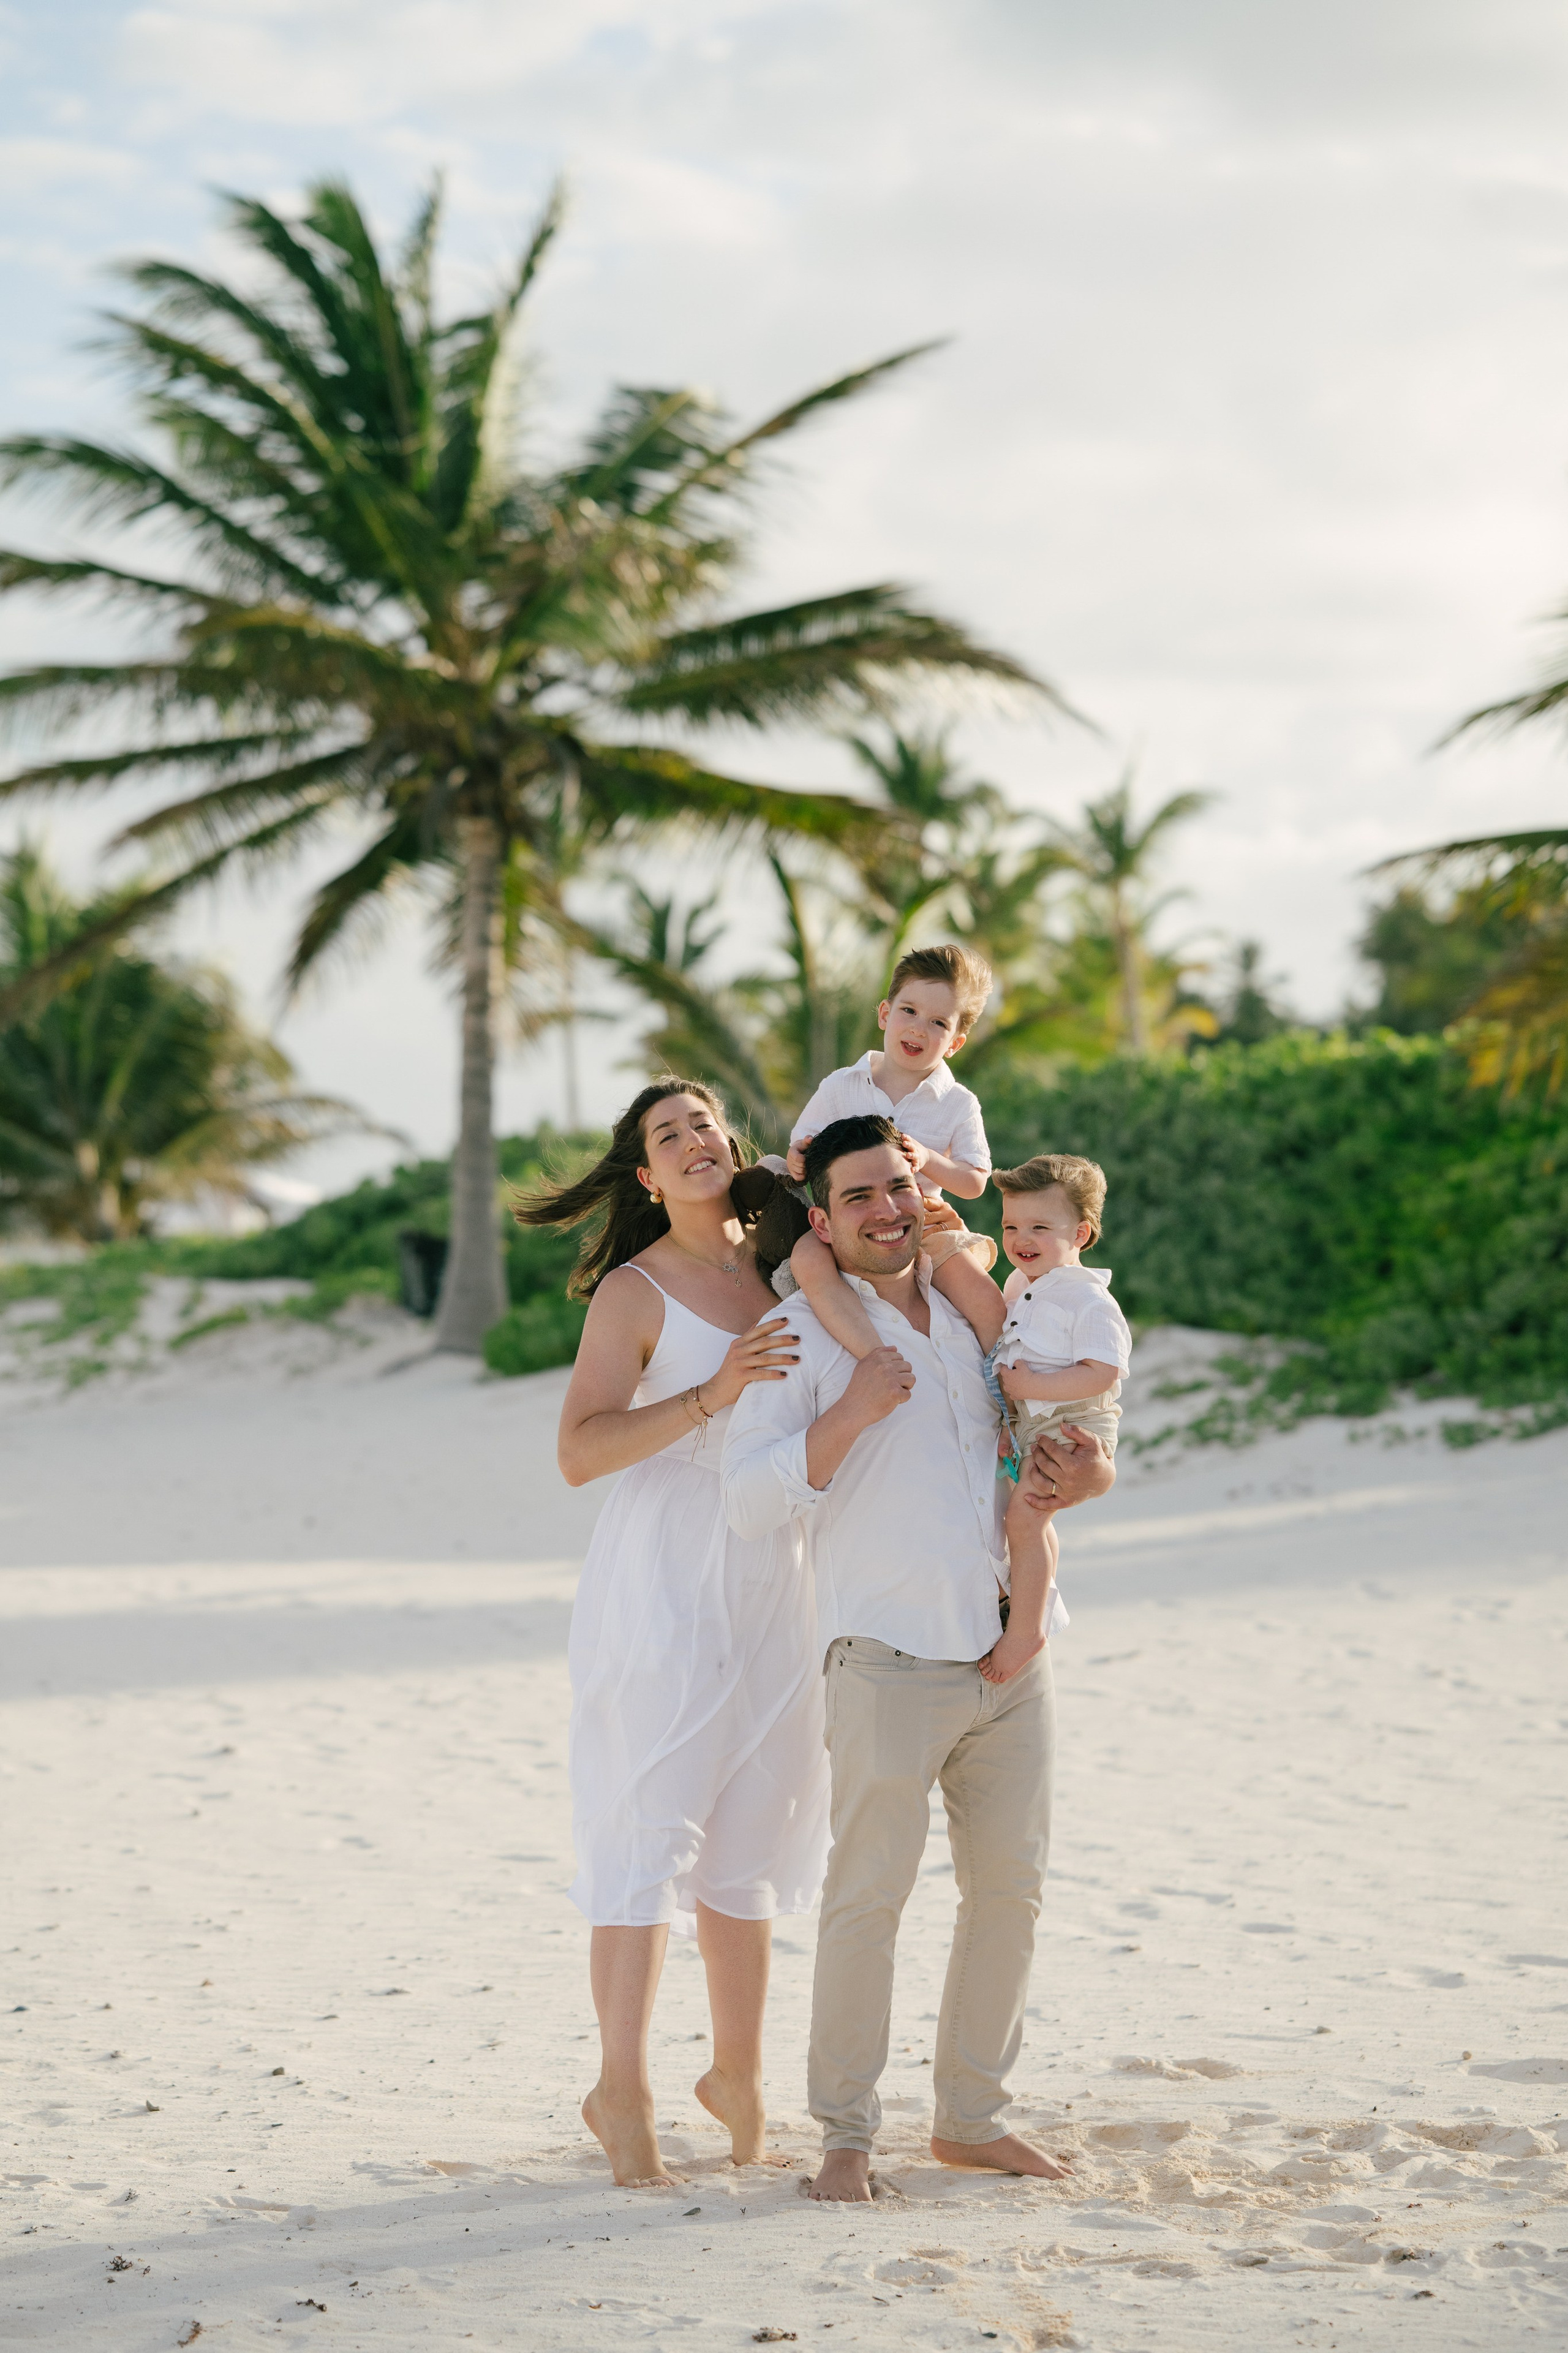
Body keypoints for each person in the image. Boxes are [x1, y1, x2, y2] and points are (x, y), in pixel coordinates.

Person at [720, 1115, 1117, 2204]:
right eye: (860, 1197)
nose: (887, 1209)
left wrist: (1082, 1479)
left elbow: (1059, 1442)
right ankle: (845, 2132)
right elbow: (748, 1503)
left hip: (1011, 1649)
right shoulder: (801, 1334)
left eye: (898, 1186)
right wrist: (846, 1416)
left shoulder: (987, 1317)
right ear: (822, 1218)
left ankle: (971, 2120)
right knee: (868, 1902)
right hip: (888, 1660)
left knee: (1012, 1894)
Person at [522, 1081, 829, 2188]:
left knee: (752, 1833)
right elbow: (578, 1451)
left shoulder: (792, 1259)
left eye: (703, 1122)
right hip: (661, 1577)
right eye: (668, 1135)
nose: (694, 1141)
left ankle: (738, 2074)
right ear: (647, 1177)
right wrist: (711, 1395)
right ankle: (623, 2087)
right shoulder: (636, 1291)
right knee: (646, 1831)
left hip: (773, 1577)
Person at [941, 1154, 1133, 1686]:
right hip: (1036, 1422)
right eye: (1011, 1225)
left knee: (1025, 1519)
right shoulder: (1019, 1286)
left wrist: (1032, 1388)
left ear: (1082, 1232)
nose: (1021, 1237)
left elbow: (1102, 1371)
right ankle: (1035, 1613)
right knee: (1031, 1519)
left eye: (1040, 1227)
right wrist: (1012, 1419)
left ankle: (1026, 1630)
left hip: (1076, 1423)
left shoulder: (1087, 1297)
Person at [781, 945, 997, 1356]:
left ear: (955, 1042)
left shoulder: (957, 1102)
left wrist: (930, 1160)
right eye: (909, 1011)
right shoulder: (842, 1085)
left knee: (984, 1300)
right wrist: (797, 1157)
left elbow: (975, 1181)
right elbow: (802, 1146)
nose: (918, 1028)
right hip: (849, 1224)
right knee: (807, 1259)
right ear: (885, 1013)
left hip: (926, 1224)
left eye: (938, 1022)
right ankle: (870, 1353)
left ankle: (1010, 1394)